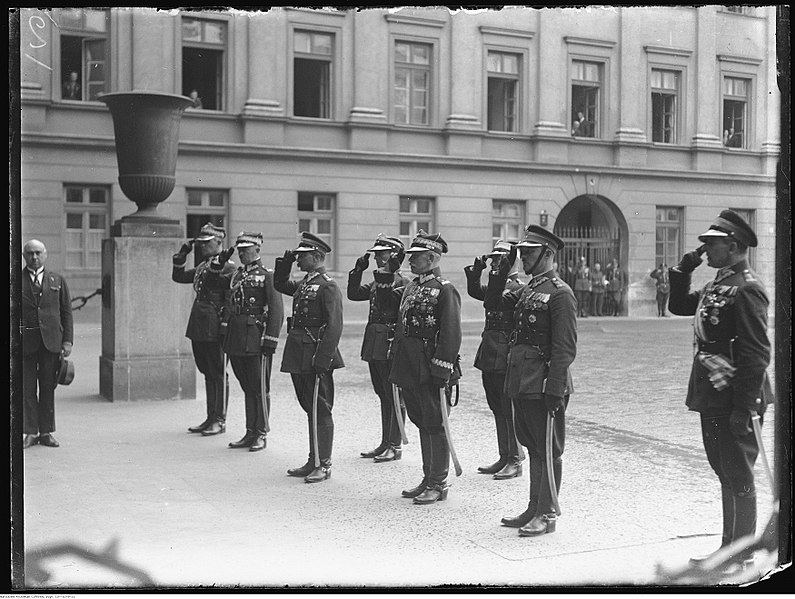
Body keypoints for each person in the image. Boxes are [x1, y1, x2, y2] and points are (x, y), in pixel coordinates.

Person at [668, 209, 772, 573]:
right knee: (725, 470)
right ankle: (728, 549)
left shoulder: (748, 289)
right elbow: (679, 306)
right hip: (713, 393)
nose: (706, 249)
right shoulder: (718, 284)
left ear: (734, 245)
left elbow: (757, 354)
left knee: (739, 474)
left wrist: (745, 408)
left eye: (712, 244)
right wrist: (683, 272)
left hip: (735, 397)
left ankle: (741, 553)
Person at [484, 225, 577, 537]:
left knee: (548, 449)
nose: (523, 257)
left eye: (528, 253)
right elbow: (492, 302)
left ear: (548, 254)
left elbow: (565, 347)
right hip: (523, 379)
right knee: (533, 446)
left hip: (544, 383)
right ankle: (534, 506)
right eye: (520, 252)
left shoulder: (560, 293)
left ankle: (547, 513)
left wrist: (554, 389)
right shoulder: (527, 290)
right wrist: (502, 269)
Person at [374, 230, 462, 505]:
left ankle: (439, 482)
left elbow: (450, 334)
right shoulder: (412, 287)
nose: (410, 261)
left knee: (436, 424)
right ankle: (428, 477)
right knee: (422, 421)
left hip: (431, 368)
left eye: (416, 257)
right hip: (411, 365)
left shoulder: (445, 289)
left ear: (433, 258)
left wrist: (442, 370)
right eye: (409, 256)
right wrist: (388, 271)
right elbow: (391, 307)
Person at [274, 232, 344, 483]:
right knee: (309, 407)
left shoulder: (328, 285)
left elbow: (334, 327)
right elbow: (280, 285)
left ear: (317, 256)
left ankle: (324, 464)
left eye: (302, 256)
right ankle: (313, 459)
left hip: (315, 355)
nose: (298, 261)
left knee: (321, 409)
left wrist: (323, 360)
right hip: (299, 352)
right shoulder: (306, 283)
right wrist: (284, 264)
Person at [207, 232, 283, 452]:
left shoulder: (267, 275)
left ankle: (261, 433)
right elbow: (213, 280)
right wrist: (220, 261)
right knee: (247, 387)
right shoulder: (237, 275)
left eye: (246, 249)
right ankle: (250, 432)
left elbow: (276, 310)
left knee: (259, 387)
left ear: (257, 250)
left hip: (256, 337)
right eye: (239, 250)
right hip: (236, 336)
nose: (241, 253)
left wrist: (270, 340)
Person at [464, 240, 526, 480]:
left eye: (501, 258)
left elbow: (494, 299)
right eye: (495, 258)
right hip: (489, 352)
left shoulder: (519, 288)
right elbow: (475, 292)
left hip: (506, 354)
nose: (496, 262)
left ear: (512, 261)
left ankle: (515, 458)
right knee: (496, 407)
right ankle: (504, 455)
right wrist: (477, 271)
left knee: (509, 408)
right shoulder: (496, 285)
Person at [347, 234, 410, 462]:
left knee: (394, 394)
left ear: (393, 256)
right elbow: (354, 295)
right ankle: (385, 442)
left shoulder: (403, 283)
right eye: (374, 254)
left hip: (391, 343)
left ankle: (395, 444)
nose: (376, 258)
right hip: (375, 342)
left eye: (380, 254)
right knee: (383, 394)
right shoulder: (376, 282)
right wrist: (357, 271)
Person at [172, 223, 235, 436]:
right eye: (200, 244)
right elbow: (179, 277)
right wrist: (182, 254)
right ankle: (210, 417)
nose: (202, 247)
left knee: (218, 373)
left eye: (206, 244)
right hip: (199, 323)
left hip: (216, 325)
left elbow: (230, 299)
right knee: (207, 371)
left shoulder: (228, 267)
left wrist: (225, 326)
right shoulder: (202, 266)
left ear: (219, 243)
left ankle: (220, 419)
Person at [21, 239, 73, 448]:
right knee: (27, 389)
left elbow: (66, 313)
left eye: (38, 253)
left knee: (47, 388)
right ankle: (30, 432)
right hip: (25, 345)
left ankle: (46, 432)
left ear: (45, 254)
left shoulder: (57, 280)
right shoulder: (16, 280)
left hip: (51, 343)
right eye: (30, 253)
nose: (34, 257)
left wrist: (67, 341)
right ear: (24, 256)